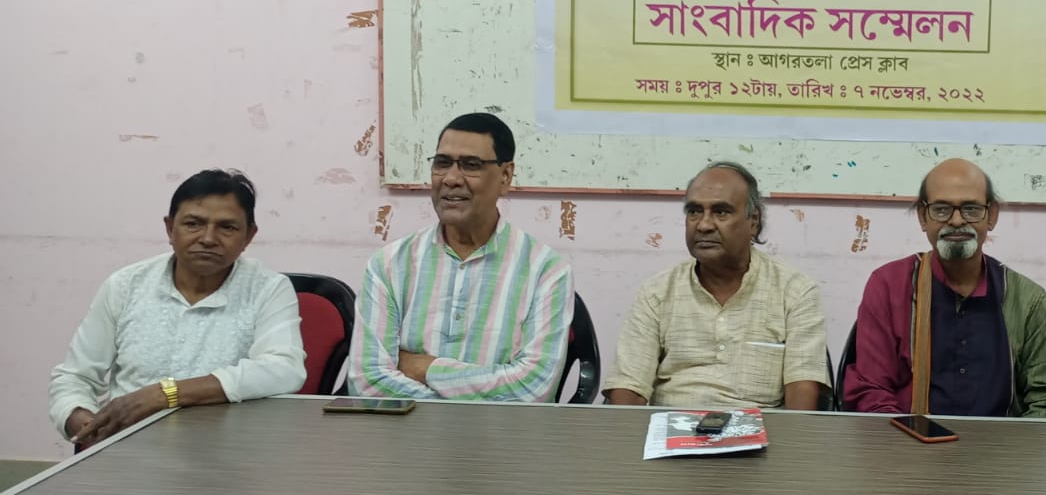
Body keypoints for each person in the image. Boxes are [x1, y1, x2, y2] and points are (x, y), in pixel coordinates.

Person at [48, 170, 305, 447]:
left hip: (227, 452)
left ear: (249, 236)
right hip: (129, 448)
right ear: (170, 228)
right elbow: (75, 377)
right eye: (193, 224)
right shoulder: (125, 285)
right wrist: (87, 425)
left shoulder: (268, 289)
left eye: (227, 227)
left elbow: (284, 368)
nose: (208, 238)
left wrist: (165, 394)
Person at [348, 112, 574, 401]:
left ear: (505, 176)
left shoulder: (546, 270)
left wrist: (425, 367)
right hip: (408, 429)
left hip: (500, 432)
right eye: (442, 163)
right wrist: (452, 410)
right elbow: (367, 382)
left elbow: (533, 388)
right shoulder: (390, 265)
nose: (451, 179)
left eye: (471, 165)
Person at [842, 158, 1046, 417]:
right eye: (941, 209)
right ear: (922, 216)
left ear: (992, 215)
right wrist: (907, 439)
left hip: (1005, 441)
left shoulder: (1028, 300)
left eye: (971, 209)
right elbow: (871, 392)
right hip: (908, 439)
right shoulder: (888, 286)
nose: (956, 220)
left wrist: (1013, 444)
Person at [602, 162, 829, 409]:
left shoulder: (795, 291)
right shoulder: (657, 292)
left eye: (721, 212)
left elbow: (802, 389)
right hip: (671, 427)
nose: (704, 225)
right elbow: (629, 386)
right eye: (694, 212)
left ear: (753, 221)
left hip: (761, 429)